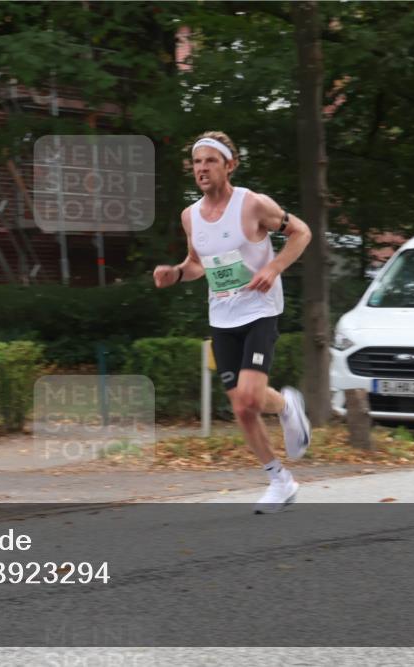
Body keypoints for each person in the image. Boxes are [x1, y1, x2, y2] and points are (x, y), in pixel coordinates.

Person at [153, 131, 313, 513]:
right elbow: (197, 264)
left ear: (230, 165)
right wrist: (175, 273)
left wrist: (274, 267)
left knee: (251, 398)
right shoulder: (190, 216)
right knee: (242, 408)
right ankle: (281, 480)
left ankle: (288, 407)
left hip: (259, 310)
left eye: (210, 161)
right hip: (221, 316)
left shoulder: (252, 205)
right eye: (196, 162)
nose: (202, 168)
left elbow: (301, 232)